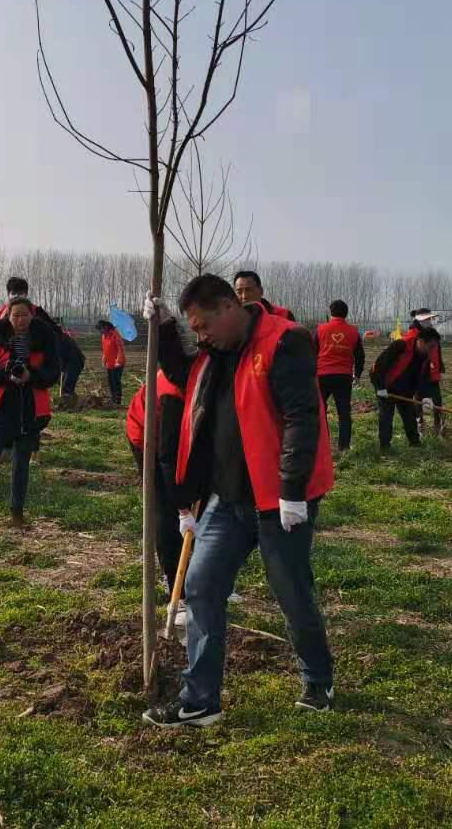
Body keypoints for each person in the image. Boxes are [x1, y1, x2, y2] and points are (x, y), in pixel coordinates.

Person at [144, 273, 334, 727]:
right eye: (193, 328)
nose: (200, 335)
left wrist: (292, 491)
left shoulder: (285, 343)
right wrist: (166, 329)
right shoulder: (214, 352)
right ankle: (201, 699)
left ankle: (318, 679)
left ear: (230, 307)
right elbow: (181, 374)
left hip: (279, 501)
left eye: (203, 325)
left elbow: (301, 418)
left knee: (291, 591)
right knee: (201, 585)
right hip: (227, 500)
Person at [0, 298, 60, 533]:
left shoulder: (45, 338)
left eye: (24, 315)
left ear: (31, 315)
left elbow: (53, 373)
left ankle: (17, 514)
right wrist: (5, 373)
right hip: (1, 409)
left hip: (31, 410)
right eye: (15, 315)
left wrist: (31, 376)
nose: (20, 320)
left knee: (22, 464)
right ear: (8, 317)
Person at [126, 371, 187, 622]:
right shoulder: (172, 393)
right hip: (148, 437)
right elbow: (168, 460)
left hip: (182, 435)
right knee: (165, 509)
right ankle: (177, 588)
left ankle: (204, 581)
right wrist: (183, 506)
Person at [371, 325, 438, 452]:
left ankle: (415, 443)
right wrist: (380, 387)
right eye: (429, 347)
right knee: (386, 415)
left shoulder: (424, 355)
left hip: (405, 389)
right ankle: (385, 446)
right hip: (387, 386)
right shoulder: (401, 345)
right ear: (421, 341)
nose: (430, 350)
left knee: (409, 415)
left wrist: (426, 396)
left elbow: (422, 378)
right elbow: (378, 367)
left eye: (433, 347)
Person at [316, 299, 365, 453]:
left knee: (320, 411)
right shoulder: (354, 332)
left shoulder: (320, 329)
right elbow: (360, 356)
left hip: (322, 375)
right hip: (344, 376)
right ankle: (344, 447)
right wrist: (357, 374)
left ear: (331, 313)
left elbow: (311, 350)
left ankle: (323, 445)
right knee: (344, 412)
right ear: (346, 313)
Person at [403, 309, 445, 437]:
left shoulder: (432, 333)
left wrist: (441, 368)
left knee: (437, 399)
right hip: (418, 374)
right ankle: (419, 424)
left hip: (432, 372)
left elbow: (437, 352)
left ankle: (438, 425)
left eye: (430, 319)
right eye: (427, 319)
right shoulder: (412, 335)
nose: (429, 322)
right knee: (418, 399)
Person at [57, 322, 85, 408]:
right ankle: (71, 400)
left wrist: (60, 366)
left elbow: (60, 354)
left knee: (67, 383)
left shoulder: (61, 338)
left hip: (75, 362)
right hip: (68, 362)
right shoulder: (57, 337)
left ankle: (67, 404)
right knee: (61, 382)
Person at [98, 319, 126, 406]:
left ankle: (117, 400)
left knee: (116, 381)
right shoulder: (104, 336)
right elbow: (105, 350)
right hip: (109, 363)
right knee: (110, 381)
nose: (100, 331)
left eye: (101, 329)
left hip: (117, 364)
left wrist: (118, 361)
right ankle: (113, 398)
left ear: (106, 327)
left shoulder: (115, 335)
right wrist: (104, 359)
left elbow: (120, 349)